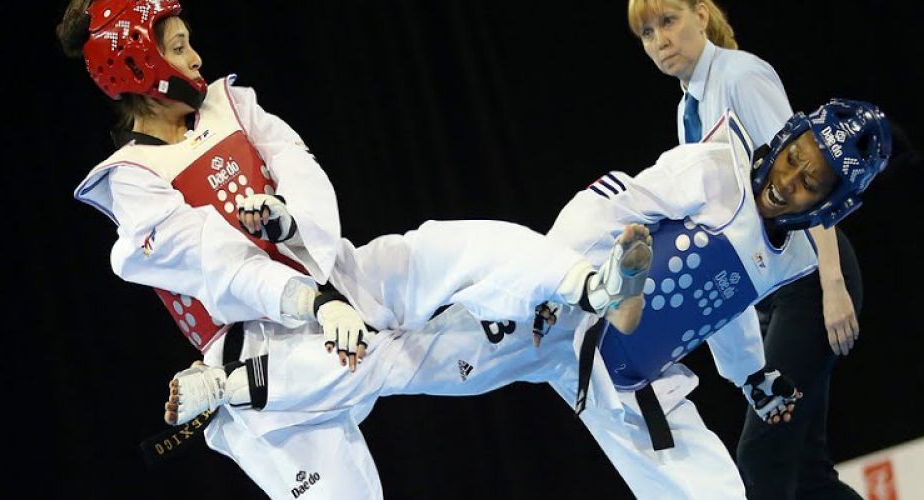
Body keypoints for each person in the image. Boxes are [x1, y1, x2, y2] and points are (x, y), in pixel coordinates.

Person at [58, 1, 639, 497]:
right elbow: (221, 264)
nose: (195, 60)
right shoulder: (134, 179)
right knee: (374, 369)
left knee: (448, 248)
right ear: (140, 65)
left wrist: (293, 226)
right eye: (180, 48)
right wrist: (311, 303)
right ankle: (234, 388)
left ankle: (588, 285)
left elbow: (301, 170)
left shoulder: (229, 105)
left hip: (338, 282)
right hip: (265, 347)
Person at [170, 99, 891, 498]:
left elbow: (729, 302)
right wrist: (563, 279)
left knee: (714, 493)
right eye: (798, 155)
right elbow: (613, 198)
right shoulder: (716, 168)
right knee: (395, 360)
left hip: (631, 379)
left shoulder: (790, 254)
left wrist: (750, 376)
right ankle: (232, 383)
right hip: (562, 317)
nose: (792, 177)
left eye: (814, 181)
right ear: (787, 138)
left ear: (831, 204)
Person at [626, 1, 865, 497]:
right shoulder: (686, 108)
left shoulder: (740, 76)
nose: (660, 41)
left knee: (763, 456)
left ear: (702, 15)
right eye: (647, 33)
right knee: (805, 471)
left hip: (808, 275)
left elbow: (813, 173)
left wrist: (832, 281)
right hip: (766, 290)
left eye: (668, 21)